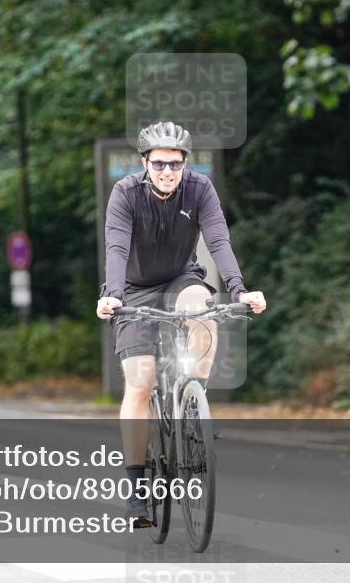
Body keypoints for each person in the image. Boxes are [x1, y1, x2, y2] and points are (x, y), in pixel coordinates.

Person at [95, 122, 266, 527]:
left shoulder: (200, 190)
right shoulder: (125, 194)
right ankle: (137, 488)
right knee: (141, 380)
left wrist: (240, 290)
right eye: (159, 164)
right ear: (144, 163)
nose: (168, 171)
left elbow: (218, 240)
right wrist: (114, 294)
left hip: (180, 279)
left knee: (204, 309)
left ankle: (194, 402)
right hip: (133, 289)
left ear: (186, 164)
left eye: (175, 163)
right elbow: (117, 245)